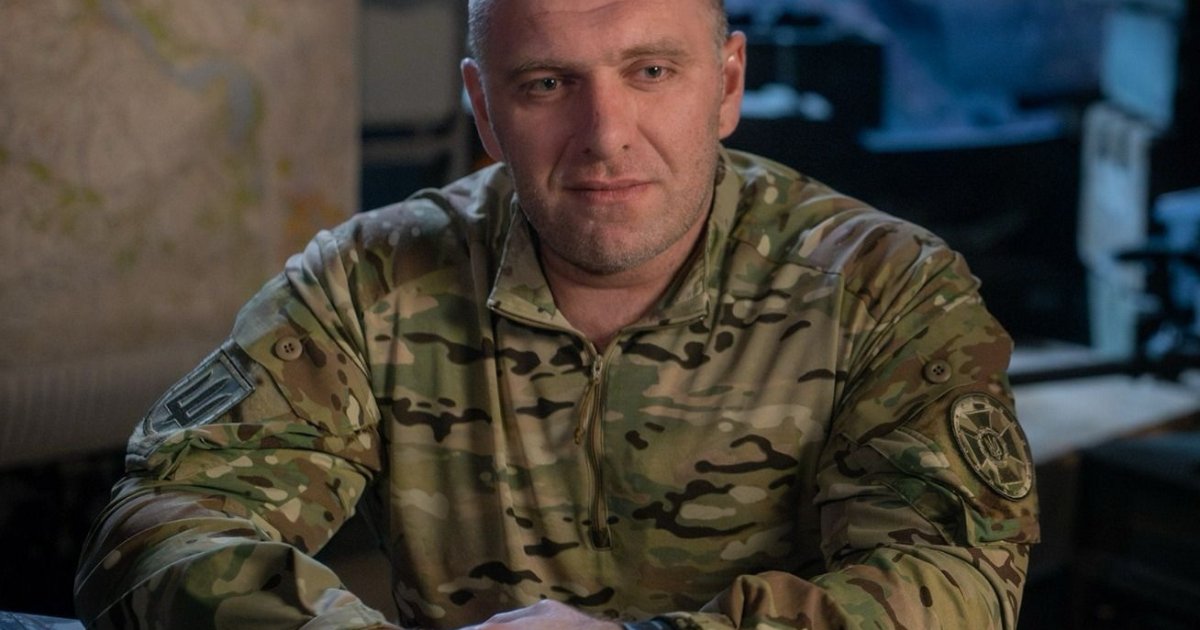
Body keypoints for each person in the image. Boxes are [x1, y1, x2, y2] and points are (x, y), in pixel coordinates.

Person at [74, 0, 1039, 628]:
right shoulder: (368, 282)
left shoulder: (885, 288)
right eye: (546, 83)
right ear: (483, 108)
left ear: (727, 84)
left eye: (651, 71)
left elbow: (956, 581)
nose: (605, 135)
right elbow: (157, 525)